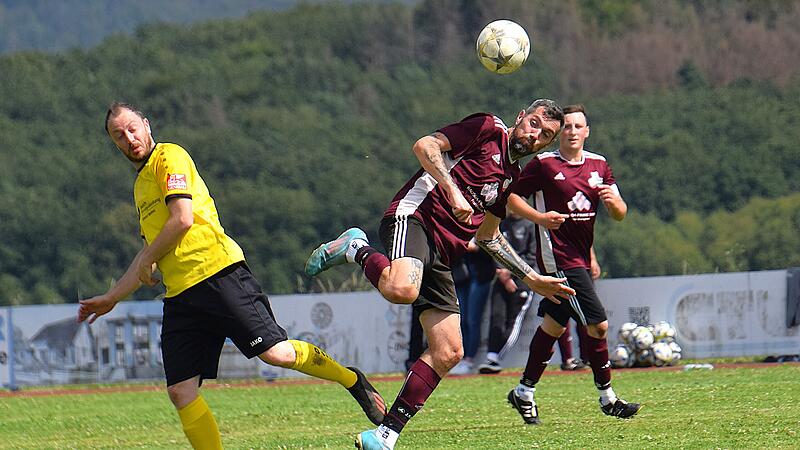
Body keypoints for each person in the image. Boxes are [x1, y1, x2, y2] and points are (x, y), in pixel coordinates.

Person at [78, 103, 386, 450]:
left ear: (147, 125)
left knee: (277, 354)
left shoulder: (169, 157)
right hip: (181, 296)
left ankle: (351, 380)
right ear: (114, 143)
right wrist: (111, 298)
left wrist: (149, 257)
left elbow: (182, 219)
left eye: (133, 128)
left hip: (219, 275)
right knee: (181, 391)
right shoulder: (140, 188)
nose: (129, 138)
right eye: (119, 135)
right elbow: (147, 255)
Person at [304, 99, 575, 450]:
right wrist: (452, 190)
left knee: (449, 351)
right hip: (413, 218)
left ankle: (385, 436)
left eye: (546, 135)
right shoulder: (488, 128)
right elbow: (425, 145)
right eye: (534, 124)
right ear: (521, 117)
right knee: (402, 289)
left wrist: (530, 277)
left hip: (441, 255)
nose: (535, 135)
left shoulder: (512, 177)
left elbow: (488, 236)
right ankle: (355, 247)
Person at [506, 103, 640, 425]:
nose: (573, 132)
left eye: (579, 126)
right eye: (567, 127)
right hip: (558, 258)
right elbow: (508, 197)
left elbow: (620, 214)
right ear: (559, 133)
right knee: (598, 324)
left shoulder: (600, 165)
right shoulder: (543, 164)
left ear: (587, 131)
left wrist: (614, 203)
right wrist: (539, 218)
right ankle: (607, 397)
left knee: (553, 326)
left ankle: (524, 391)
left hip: (580, 258)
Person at [478, 210, 537, 374]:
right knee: (496, 317)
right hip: (500, 280)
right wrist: (503, 274)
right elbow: (493, 249)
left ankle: (495, 357)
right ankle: (491, 357)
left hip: (522, 282)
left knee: (513, 321)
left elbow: (532, 257)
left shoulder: (531, 226)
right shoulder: (500, 224)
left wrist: (510, 273)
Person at [450, 240, 495, 375]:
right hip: (461, 275)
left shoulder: (484, 223)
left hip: (480, 276)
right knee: (462, 320)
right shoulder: (458, 224)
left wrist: (476, 249)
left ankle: (469, 360)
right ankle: (462, 358)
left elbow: (493, 250)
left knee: (472, 319)